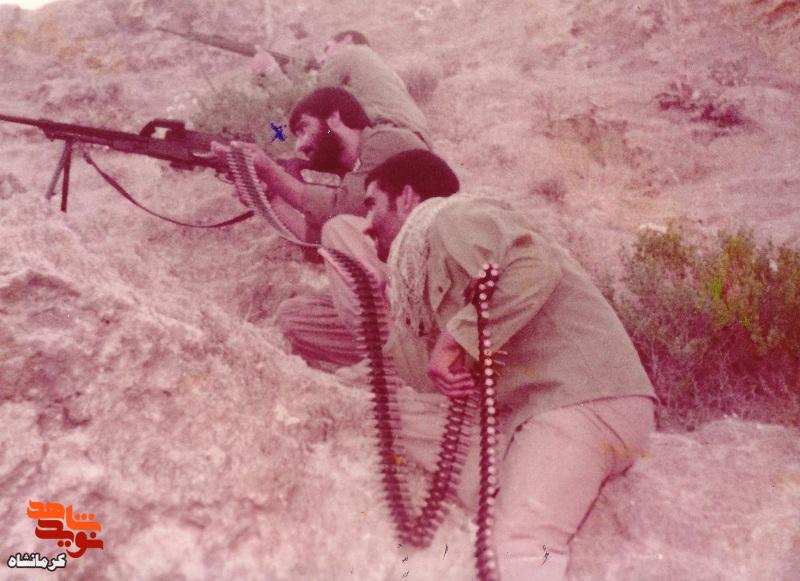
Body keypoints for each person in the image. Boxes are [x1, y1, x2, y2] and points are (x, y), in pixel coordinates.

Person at [356, 149, 658, 581]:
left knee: (519, 545)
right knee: (399, 419)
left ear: (406, 198)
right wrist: (388, 304)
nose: (365, 224)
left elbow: (534, 266)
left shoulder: (451, 218)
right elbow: (422, 377)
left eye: (371, 204)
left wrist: (454, 338)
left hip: (581, 398)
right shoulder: (420, 267)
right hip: (540, 414)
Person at [211, 86, 427, 244]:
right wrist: (272, 199)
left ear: (334, 119)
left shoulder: (386, 141)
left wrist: (270, 172)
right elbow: (321, 245)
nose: (299, 146)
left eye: (304, 128)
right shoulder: (356, 171)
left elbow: (340, 212)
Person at [251, 30, 431, 147]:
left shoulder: (349, 53)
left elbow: (309, 108)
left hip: (389, 138)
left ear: (347, 40)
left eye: (327, 48)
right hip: (420, 140)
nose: (323, 59)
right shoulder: (381, 71)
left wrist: (272, 71)